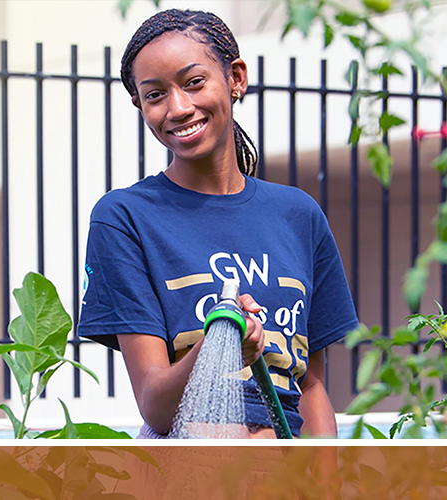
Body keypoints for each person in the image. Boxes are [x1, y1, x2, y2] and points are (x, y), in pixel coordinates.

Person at [77, 8, 359, 439]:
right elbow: (156, 406)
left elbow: (312, 386)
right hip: (189, 474)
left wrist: (325, 484)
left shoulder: (298, 215)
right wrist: (220, 342)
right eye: (155, 95)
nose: (178, 107)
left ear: (236, 78)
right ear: (140, 105)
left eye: (194, 83)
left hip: (286, 477)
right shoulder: (125, 219)